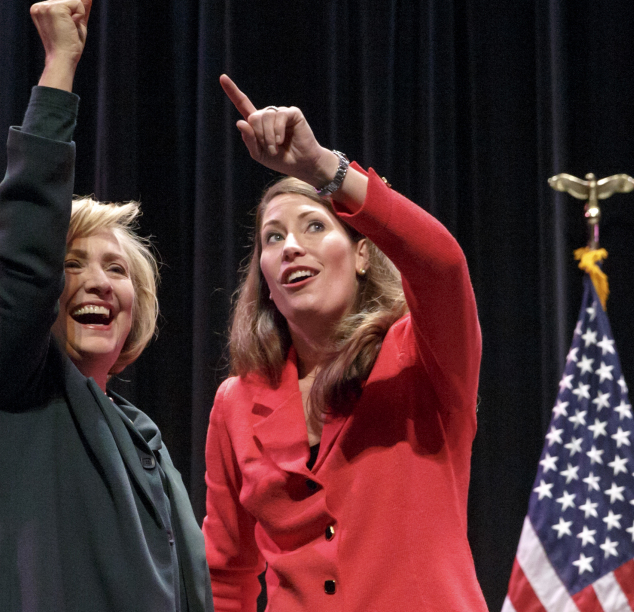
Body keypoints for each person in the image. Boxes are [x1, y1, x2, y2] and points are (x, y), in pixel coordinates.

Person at [0, 0, 212, 612]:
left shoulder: (145, 441)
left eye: (115, 269)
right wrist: (59, 70)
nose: (97, 282)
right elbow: (23, 262)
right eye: (70, 264)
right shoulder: (10, 386)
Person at [201, 75, 489, 611]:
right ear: (263, 275)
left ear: (361, 255)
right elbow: (225, 576)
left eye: (314, 227)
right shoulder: (235, 404)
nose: (290, 248)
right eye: (273, 237)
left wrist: (324, 171)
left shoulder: (421, 356)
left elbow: (442, 265)